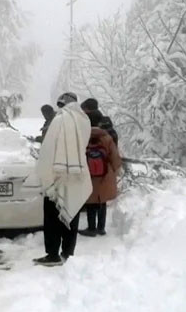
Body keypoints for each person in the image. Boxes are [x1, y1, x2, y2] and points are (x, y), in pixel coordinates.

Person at [33, 92, 93, 266]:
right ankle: (68, 253)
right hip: (77, 173)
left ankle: (52, 254)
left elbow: (50, 147)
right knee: (71, 212)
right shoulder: (84, 120)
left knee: (52, 216)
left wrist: (44, 169)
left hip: (57, 174)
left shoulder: (61, 120)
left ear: (62, 104)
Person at [79, 111, 122, 237]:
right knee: (102, 201)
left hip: (88, 174)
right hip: (105, 174)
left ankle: (91, 228)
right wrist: (114, 170)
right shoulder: (107, 137)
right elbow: (115, 158)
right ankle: (101, 228)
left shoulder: (83, 137)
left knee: (90, 201)